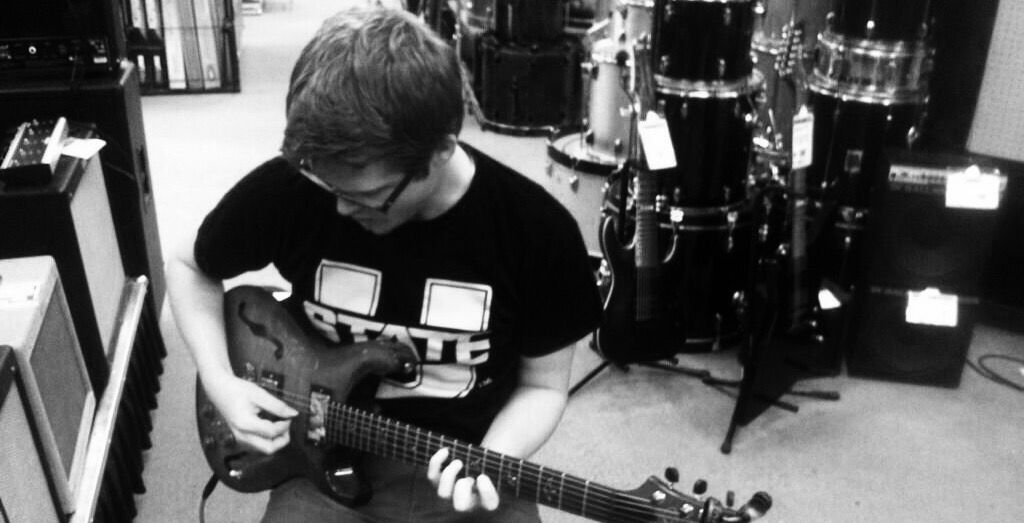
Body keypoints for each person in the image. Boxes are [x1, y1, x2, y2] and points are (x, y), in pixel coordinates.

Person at [166, 6, 602, 522]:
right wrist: (219, 379)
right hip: (318, 462)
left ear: (441, 151)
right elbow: (189, 266)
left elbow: (543, 387)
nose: (340, 208)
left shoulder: (537, 230)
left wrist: (493, 458)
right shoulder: (296, 189)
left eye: (367, 195)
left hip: (470, 459)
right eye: (327, 185)